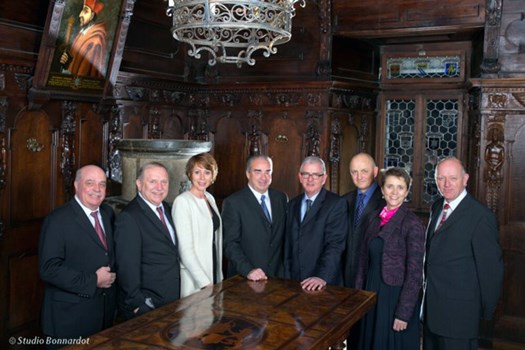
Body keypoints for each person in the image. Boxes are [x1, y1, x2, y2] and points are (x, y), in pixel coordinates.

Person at [423, 156, 504, 350]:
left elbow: (491, 271)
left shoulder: (481, 217)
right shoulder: (436, 207)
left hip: (460, 318)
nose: (446, 184)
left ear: (465, 179)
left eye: (453, 178)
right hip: (432, 313)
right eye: (441, 178)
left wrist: (486, 313)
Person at [39, 165, 116, 345]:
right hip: (69, 319)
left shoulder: (107, 214)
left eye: (102, 184)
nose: (97, 189)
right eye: (90, 183)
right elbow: (48, 269)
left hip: (103, 316)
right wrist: (93, 280)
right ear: (76, 185)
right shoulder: (58, 219)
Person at [355, 167, 425, 350]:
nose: (394, 192)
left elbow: (415, 273)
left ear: (407, 191)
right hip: (371, 290)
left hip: (394, 297)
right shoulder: (372, 218)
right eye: (390, 186)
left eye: (400, 187)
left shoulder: (413, 224)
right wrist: (358, 297)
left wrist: (403, 312)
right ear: (382, 189)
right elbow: (362, 261)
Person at [114, 162, 180, 319]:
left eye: (164, 182)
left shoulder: (168, 209)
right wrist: (139, 304)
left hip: (172, 300)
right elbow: (126, 267)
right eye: (153, 181)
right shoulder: (129, 217)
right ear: (139, 184)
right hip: (149, 306)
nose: (159, 187)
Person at [284, 156, 348, 291]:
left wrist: (321, 276)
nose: (310, 179)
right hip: (293, 282)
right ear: (300, 177)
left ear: (323, 178)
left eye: (316, 175)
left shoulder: (336, 204)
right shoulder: (292, 204)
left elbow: (335, 244)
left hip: (322, 283)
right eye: (306, 174)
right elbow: (288, 244)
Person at [222, 155, 288, 281]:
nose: (264, 177)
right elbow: (230, 244)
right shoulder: (233, 202)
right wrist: (249, 270)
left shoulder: (281, 198)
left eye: (268, 172)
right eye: (258, 172)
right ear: (248, 174)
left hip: (278, 277)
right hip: (245, 278)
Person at [172, 153, 223, 297]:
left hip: (212, 270)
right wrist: (204, 282)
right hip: (195, 279)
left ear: (212, 176)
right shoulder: (182, 202)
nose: (202, 177)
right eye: (197, 172)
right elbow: (185, 249)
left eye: (207, 172)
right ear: (190, 174)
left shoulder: (210, 198)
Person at [343, 152, 385, 288]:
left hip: (372, 278)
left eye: (364, 171)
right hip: (344, 278)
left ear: (375, 171)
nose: (359, 176)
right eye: (354, 172)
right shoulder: (343, 201)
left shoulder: (387, 202)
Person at [60, 0, 108, 78]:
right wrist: (66, 62)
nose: (80, 15)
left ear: (92, 15)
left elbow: (83, 73)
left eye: (85, 11)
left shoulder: (95, 40)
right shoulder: (83, 33)